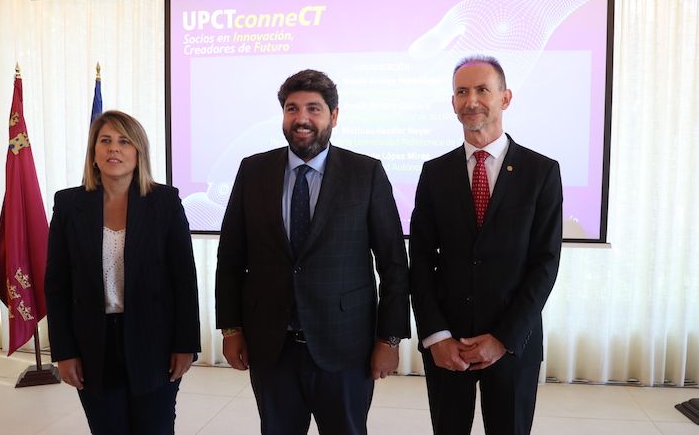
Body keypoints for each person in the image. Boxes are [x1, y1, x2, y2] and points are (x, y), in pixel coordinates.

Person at [215, 69, 410, 435]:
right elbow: (230, 259)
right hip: (271, 347)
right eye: (292, 108)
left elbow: (394, 264)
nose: (301, 118)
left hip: (346, 347)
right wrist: (230, 329)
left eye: (313, 109)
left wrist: (390, 339)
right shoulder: (253, 170)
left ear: (333, 116)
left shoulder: (365, 173)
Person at [409, 55, 563, 434]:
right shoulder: (435, 173)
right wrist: (437, 336)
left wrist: (504, 339)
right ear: (453, 103)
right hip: (448, 345)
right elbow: (421, 260)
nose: (471, 100)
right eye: (462, 92)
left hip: (512, 344)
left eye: (482, 90)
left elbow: (544, 264)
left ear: (505, 98)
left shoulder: (541, 172)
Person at [44, 110, 201, 434]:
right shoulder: (69, 204)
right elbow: (57, 284)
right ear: (94, 153)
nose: (114, 148)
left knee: (155, 428)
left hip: (153, 339)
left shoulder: (165, 201)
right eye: (105, 140)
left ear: (138, 152)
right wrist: (64, 351)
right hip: (93, 342)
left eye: (124, 141)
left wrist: (186, 344)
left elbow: (184, 280)